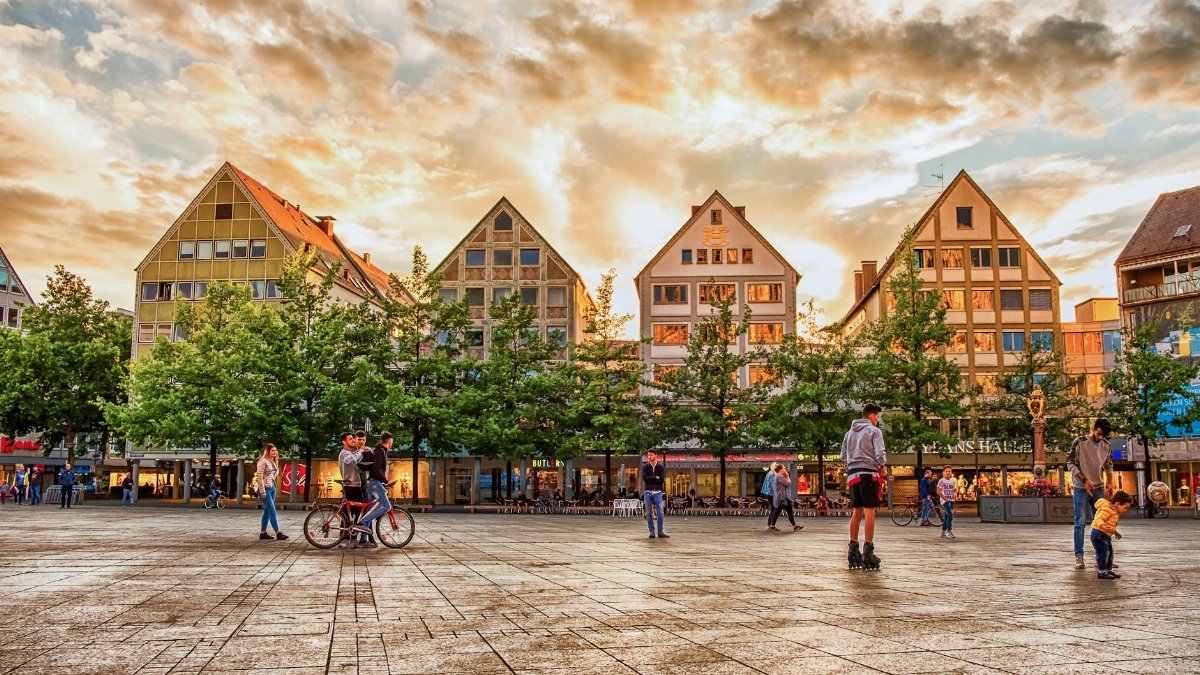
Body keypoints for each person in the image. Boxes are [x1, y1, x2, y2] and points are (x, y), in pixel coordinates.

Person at [841, 403, 886, 570]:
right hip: (869, 473)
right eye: (878, 417)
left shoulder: (849, 433)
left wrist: (853, 462)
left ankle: (853, 550)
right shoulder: (874, 431)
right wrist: (880, 465)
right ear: (872, 416)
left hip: (853, 474)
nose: (878, 420)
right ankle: (868, 551)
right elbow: (880, 453)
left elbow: (843, 455)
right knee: (869, 511)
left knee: (857, 511)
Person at [1067, 418, 1114, 569]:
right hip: (1080, 487)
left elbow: (1108, 465)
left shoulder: (1106, 445)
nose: (1100, 438)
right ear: (1093, 428)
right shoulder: (1079, 442)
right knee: (1079, 522)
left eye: (1103, 436)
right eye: (1098, 434)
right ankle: (1079, 557)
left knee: (1102, 522)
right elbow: (1070, 463)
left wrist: (1110, 482)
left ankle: (1103, 556)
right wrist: (1084, 479)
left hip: (1098, 488)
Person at [356, 431, 393, 546]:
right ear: (390, 441)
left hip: (373, 482)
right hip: (374, 483)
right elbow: (377, 470)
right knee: (387, 506)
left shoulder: (380, 450)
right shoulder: (380, 451)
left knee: (369, 511)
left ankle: (363, 539)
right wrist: (386, 481)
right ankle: (363, 522)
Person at [337, 432, 371, 547]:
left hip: (356, 485)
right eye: (350, 439)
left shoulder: (352, 452)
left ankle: (352, 537)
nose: (353, 441)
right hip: (351, 486)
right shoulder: (344, 453)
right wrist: (360, 451)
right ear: (344, 441)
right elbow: (349, 460)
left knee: (356, 512)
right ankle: (345, 538)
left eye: (353, 439)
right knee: (348, 512)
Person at [1091, 490, 1132, 580]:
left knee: (1110, 553)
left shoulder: (1114, 511)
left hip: (1106, 535)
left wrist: (1115, 532)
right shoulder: (1107, 510)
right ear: (1117, 504)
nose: (1126, 510)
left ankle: (1108, 570)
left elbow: (1111, 525)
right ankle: (1101, 571)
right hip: (1099, 534)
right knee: (1103, 553)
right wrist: (1102, 525)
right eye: (1125, 507)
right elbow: (1098, 519)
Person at [254, 443, 288, 541]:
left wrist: (272, 482)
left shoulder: (273, 461)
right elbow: (259, 477)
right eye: (272, 450)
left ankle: (263, 533)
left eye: (276, 450)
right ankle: (278, 533)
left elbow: (273, 474)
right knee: (272, 511)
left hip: (272, 487)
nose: (275, 452)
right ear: (267, 451)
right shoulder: (263, 461)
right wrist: (262, 491)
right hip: (265, 489)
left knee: (267, 511)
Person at [768, 465, 803, 532]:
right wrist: (787, 476)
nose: (785, 469)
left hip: (780, 496)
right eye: (784, 468)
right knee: (787, 511)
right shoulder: (780, 476)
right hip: (783, 497)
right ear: (780, 469)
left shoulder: (775, 476)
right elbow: (788, 483)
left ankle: (773, 525)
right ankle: (794, 526)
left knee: (779, 511)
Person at [641, 450, 668, 539]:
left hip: (658, 492)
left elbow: (661, 480)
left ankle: (660, 531)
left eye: (651, 455)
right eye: (648, 455)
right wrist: (655, 477)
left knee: (660, 512)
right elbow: (645, 478)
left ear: (656, 456)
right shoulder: (645, 466)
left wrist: (652, 478)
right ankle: (651, 532)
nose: (649, 457)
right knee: (649, 513)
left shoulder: (660, 466)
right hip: (648, 492)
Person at [937, 466, 956, 539]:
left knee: (947, 515)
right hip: (944, 501)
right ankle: (949, 531)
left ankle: (943, 532)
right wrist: (945, 498)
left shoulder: (952, 481)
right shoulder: (941, 481)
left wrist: (953, 498)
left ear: (951, 473)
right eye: (946, 471)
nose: (948, 472)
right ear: (943, 472)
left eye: (949, 471)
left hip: (950, 500)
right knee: (950, 514)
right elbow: (938, 491)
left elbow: (953, 491)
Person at [761, 463, 778, 530]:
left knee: (773, 509)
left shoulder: (769, 473)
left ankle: (770, 525)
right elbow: (773, 485)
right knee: (774, 509)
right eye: (776, 466)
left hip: (769, 493)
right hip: (771, 493)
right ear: (774, 467)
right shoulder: (772, 474)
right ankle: (770, 525)